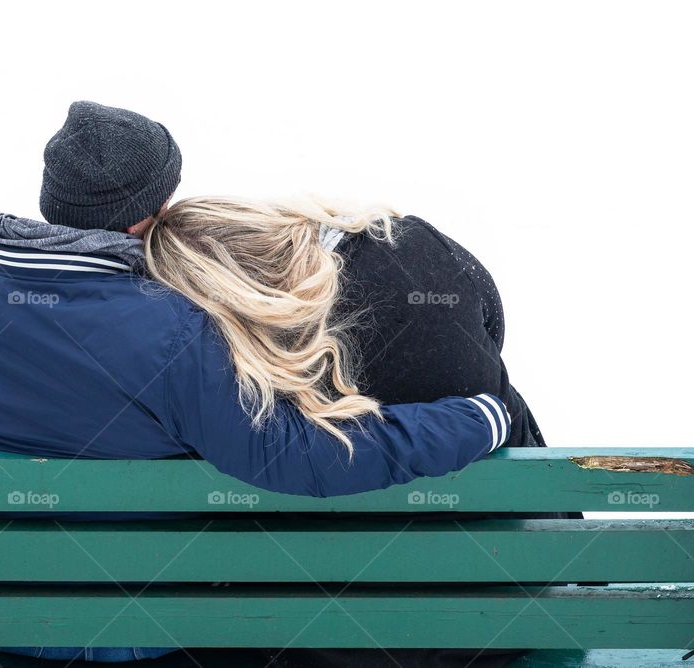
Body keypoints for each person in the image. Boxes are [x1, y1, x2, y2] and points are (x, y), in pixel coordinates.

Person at [0, 102, 510, 663]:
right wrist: (480, 418)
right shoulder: (166, 328)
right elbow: (296, 456)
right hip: (129, 629)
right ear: (155, 209)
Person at [144, 195, 562, 668]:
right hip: (519, 590)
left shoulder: (246, 376)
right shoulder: (412, 247)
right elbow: (491, 328)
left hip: (339, 635)